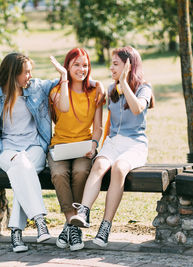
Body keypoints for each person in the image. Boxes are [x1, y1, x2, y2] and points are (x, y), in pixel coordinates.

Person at [0, 52, 68, 253]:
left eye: (31, 72)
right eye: (26, 73)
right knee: (21, 167)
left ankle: (18, 233)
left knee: (21, 170)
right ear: (12, 74)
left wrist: (63, 73)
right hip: (7, 150)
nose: (29, 76)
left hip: (35, 148)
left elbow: (60, 82)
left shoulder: (36, 88)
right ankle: (39, 221)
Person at [70, 46, 155, 247]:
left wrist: (124, 83)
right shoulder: (111, 89)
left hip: (135, 144)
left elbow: (137, 109)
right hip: (113, 142)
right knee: (98, 166)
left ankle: (105, 227)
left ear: (128, 65)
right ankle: (83, 212)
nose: (111, 68)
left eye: (115, 64)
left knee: (119, 168)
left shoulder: (144, 88)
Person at [47, 48, 103, 251]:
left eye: (85, 65)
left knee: (81, 172)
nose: (82, 69)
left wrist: (94, 146)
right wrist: (63, 77)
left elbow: (98, 127)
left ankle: (70, 227)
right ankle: (73, 223)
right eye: (76, 65)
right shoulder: (56, 90)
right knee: (59, 173)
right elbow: (62, 108)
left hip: (84, 147)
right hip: (60, 145)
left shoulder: (96, 91)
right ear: (67, 66)